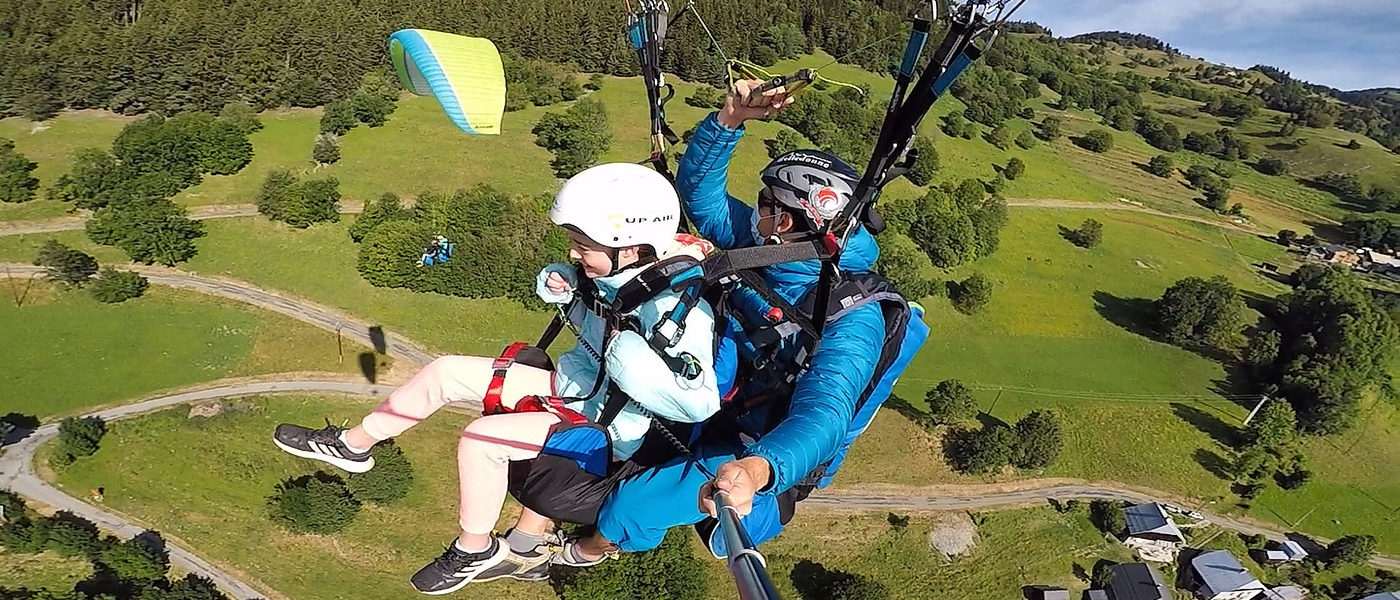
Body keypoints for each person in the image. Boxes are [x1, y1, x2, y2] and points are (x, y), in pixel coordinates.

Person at [271, 163, 723, 594]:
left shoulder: (677, 311)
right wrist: (568, 289)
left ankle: (475, 549)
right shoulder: (621, 276)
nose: (572, 252)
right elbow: (596, 324)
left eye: (582, 246)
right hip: (576, 388)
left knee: (482, 441)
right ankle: (354, 445)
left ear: (629, 247)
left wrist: (633, 365)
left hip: (606, 428)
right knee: (445, 371)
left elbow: (699, 403)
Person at [555, 80, 890, 563]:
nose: (757, 210)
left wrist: (759, 469)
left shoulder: (855, 315)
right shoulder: (767, 250)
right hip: (717, 383)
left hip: (760, 440)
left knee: (631, 505)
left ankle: (585, 551)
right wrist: (728, 122)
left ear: (788, 221)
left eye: (766, 202)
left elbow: (825, 415)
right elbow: (700, 199)